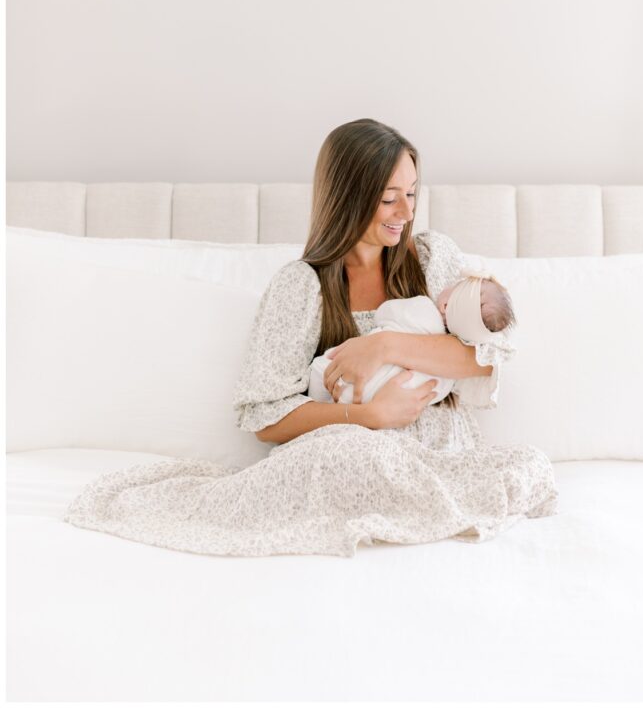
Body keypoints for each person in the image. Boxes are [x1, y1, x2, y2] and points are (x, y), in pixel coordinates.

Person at [62, 118, 558, 557]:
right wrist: (367, 416)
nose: (404, 211)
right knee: (354, 453)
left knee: (530, 465)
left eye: (411, 193)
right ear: (347, 196)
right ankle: (400, 507)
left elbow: (483, 359)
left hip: (438, 456)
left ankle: (418, 505)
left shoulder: (431, 261)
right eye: (388, 197)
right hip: (352, 450)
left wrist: (381, 346)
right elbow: (265, 417)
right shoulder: (302, 286)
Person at [306, 273, 516, 408]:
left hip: (340, 377)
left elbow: (384, 313)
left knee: (319, 370)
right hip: (372, 409)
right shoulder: (447, 380)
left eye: (457, 284)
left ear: (445, 306)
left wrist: (384, 342)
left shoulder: (423, 308)